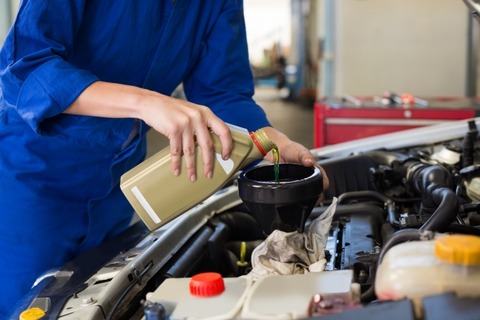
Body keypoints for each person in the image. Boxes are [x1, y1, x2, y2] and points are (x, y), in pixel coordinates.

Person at [0, 0, 329, 317]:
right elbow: (26, 68)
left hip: (119, 183)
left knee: (94, 304)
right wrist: (144, 103)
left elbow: (222, 94)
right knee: (26, 307)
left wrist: (273, 140)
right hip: (32, 179)